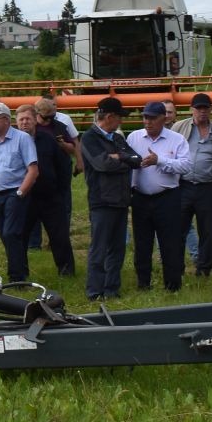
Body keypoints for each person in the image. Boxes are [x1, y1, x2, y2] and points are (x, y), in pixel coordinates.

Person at [79, 97, 143, 301]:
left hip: (121, 200)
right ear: (109, 117)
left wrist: (120, 158)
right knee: (99, 248)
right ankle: (94, 291)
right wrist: (121, 159)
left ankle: (112, 289)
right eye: (119, 118)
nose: (121, 122)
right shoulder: (89, 138)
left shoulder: (117, 139)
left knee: (117, 248)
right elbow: (102, 165)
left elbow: (137, 160)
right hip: (101, 201)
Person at [127, 100, 190, 292]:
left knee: (170, 242)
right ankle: (143, 283)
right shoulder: (133, 138)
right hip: (140, 197)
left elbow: (186, 166)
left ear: (164, 118)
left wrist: (160, 161)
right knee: (142, 243)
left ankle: (172, 285)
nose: (148, 121)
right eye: (145, 117)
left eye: (152, 118)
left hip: (167, 197)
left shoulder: (177, 139)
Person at [172, 95, 212, 280]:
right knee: (177, 230)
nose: (202, 111)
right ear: (191, 109)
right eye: (198, 108)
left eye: (206, 108)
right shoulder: (179, 128)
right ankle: (176, 267)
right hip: (183, 186)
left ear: (211, 109)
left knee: (207, 231)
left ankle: (204, 269)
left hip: (207, 188)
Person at [0, 102, 38, 281]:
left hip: (15, 193)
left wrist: (20, 193)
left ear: (6, 120)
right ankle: (21, 268)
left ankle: (16, 278)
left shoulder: (22, 138)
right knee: (8, 237)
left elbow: (33, 170)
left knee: (11, 233)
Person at [17, 105, 75, 280]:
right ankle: (19, 273)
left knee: (60, 235)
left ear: (35, 120)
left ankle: (66, 270)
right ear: (16, 122)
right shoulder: (13, 142)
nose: (25, 122)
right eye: (21, 119)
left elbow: (63, 165)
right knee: (19, 236)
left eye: (28, 118)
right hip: (24, 198)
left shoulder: (48, 140)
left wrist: (60, 189)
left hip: (50, 196)